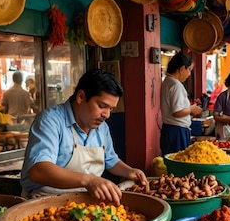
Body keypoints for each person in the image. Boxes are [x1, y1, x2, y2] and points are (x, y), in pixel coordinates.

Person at [20, 68, 147, 203]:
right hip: (44, 201)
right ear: (81, 97)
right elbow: (38, 171)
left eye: (110, 109)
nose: (107, 115)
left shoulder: (101, 127)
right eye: (102, 106)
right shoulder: (50, 121)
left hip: (86, 202)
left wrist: (129, 171)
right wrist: (89, 180)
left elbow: (110, 159)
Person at [160, 52, 203, 155]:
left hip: (170, 130)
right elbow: (177, 112)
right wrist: (192, 109)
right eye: (189, 70)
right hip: (177, 131)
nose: (189, 74)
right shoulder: (176, 85)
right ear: (182, 69)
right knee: (179, 164)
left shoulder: (167, 81)